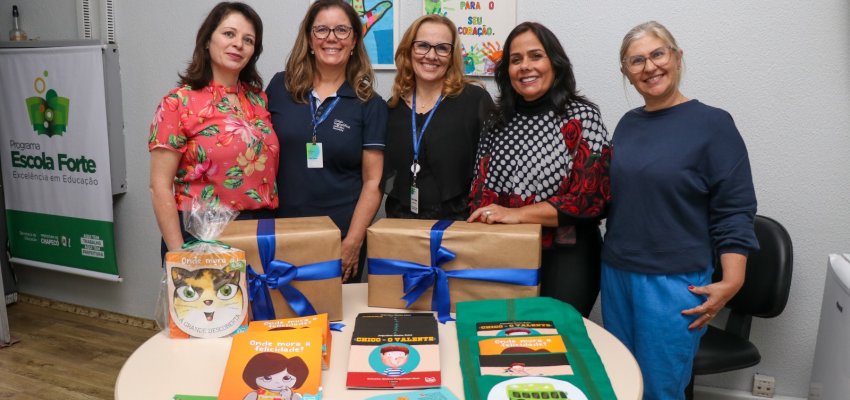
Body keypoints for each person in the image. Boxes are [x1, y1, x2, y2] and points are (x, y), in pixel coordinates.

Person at [601, 21, 758, 399]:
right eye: (636, 61)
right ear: (626, 72)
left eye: (658, 54)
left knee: (660, 389)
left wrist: (732, 281)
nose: (649, 67)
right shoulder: (627, 124)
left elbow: (734, 209)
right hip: (617, 272)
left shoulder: (713, 124)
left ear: (676, 56)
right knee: (622, 382)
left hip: (674, 282)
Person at [467, 22, 611, 317]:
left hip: (567, 255)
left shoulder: (582, 117)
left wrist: (516, 214)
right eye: (516, 60)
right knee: (502, 340)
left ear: (555, 63)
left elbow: (590, 199)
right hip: (505, 252)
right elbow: (479, 191)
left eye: (536, 56)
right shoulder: (496, 121)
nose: (525, 66)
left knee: (555, 343)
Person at [267, 0, 387, 283]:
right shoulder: (279, 87)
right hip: (282, 233)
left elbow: (373, 182)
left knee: (336, 323)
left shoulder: (370, 104)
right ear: (309, 38)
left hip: (340, 237)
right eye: (322, 30)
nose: (331, 37)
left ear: (354, 40)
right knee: (284, 322)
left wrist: (354, 241)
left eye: (342, 30)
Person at [149, 2, 277, 256]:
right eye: (229, 34)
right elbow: (159, 186)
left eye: (248, 40)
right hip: (200, 233)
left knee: (258, 297)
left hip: (260, 231)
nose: (238, 44)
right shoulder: (178, 102)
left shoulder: (258, 100)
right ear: (207, 41)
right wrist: (178, 255)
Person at [382, 14, 494, 220]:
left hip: (458, 226)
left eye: (442, 48)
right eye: (422, 45)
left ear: (452, 56)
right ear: (409, 50)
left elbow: (492, 170)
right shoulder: (392, 107)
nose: (431, 55)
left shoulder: (475, 101)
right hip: (401, 227)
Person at [241, 352, 309, 400]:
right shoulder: (254, 395)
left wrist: (288, 398)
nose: (278, 383)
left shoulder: (294, 396)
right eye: (267, 378)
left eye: (286, 378)